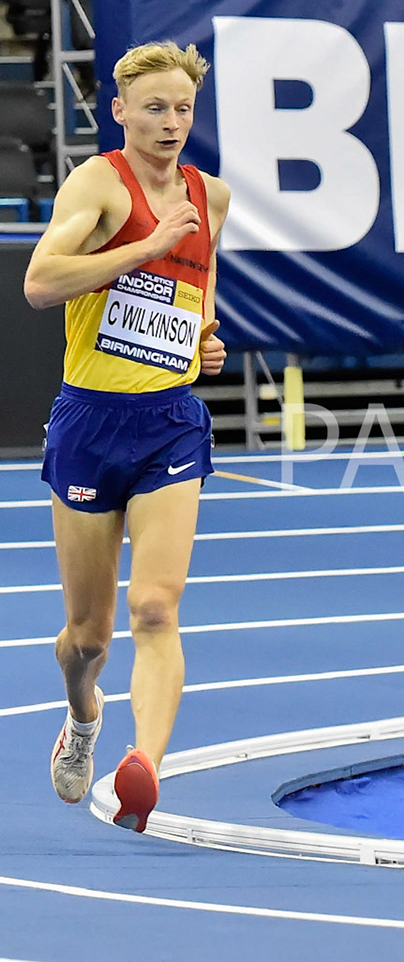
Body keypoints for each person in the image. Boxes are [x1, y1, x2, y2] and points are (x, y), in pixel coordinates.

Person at [26, 41, 230, 833]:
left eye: (183, 108)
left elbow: (198, 296)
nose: (171, 122)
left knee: (154, 607)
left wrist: (205, 341)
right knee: (89, 638)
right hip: (88, 423)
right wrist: (143, 247)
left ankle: (141, 767)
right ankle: (83, 721)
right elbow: (41, 283)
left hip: (169, 423)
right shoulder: (98, 184)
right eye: (154, 108)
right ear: (120, 111)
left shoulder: (210, 197)